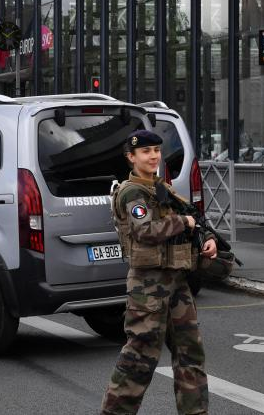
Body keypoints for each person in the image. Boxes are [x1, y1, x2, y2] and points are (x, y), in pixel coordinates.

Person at [100, 130, 217, 415]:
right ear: (131, 157)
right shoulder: (132, 192)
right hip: (148, 285)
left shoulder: (159, 187)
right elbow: (146, 231)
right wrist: (184, 222)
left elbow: (192, 218)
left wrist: (207, 238)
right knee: (139, 357)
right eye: (145, 152)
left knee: (191, 354)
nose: (153, 156)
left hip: (175, 280)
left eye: (156, 150)